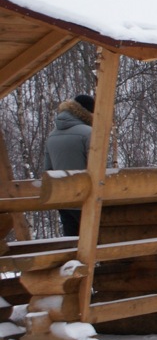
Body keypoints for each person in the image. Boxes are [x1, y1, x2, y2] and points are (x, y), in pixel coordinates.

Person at [43, 93, 95, 237]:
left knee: (71, 244)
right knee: (94, 243)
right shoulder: (90, 133)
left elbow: (48, 170)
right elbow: (96, 168)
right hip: (87, 198)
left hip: (64, 201)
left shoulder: (52, 135)